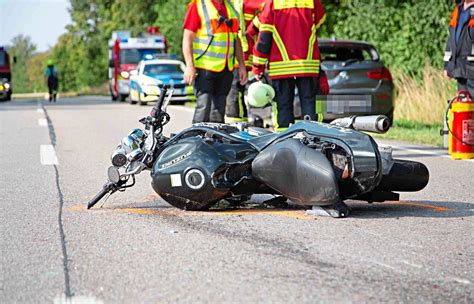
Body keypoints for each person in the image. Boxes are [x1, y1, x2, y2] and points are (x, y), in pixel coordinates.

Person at [252, 0, 327, 131]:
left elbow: (264, 38)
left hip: (280, 66)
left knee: (283, 108)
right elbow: (320, 20)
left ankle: (283, 142)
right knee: (311, 105)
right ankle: (314, 140)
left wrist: (258, 66)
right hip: (307, 64)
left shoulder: (272, 3)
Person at [182, 0, 248, 123]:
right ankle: (196, 139)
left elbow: (236, 39)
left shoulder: (231, 8)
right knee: (204, 106)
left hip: (226, 69)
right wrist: (189, 66)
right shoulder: (198, 6)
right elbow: (187, 38)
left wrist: (242, 65)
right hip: (204, 68)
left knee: (219, 110)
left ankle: (215, 141)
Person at [224, 0, 265, 123]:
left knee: (234, 90)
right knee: (235, 91)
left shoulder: (244, 2)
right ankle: (238, 125)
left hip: (241, 53)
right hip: (233, 53)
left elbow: (269, 9)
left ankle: (236, 126)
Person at [444, 0, 474, 98]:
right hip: (460, 69)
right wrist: (447, 65)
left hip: (472, 68)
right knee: (464, 106)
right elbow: (451, 40)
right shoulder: (458, 11)